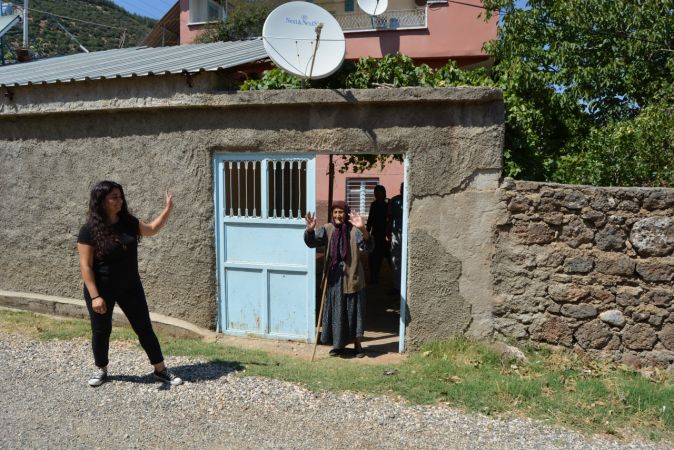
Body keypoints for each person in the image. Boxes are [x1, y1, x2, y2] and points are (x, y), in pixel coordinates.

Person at [77, 181, 183, 387]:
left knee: (144, 327)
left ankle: (160, 369)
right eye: (114, 197)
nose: (119, 201)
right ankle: (101, 369)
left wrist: (167, 210)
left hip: (130, 287)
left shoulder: (128, 222)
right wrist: (95, 296)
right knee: (101, 330)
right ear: (101, 201)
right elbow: (86, 266)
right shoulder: (88, 229)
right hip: (101, 289)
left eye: (120, 196)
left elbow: (151, 229)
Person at [304, 201, 374, 358]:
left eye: (340, 212)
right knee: (337, 312)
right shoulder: (327, 229)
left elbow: (369, 247)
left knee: (354, 312)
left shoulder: (355, 231)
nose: (337, 215)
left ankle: (357, 345)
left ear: (346, 213)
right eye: (335, 212)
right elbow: (312, 242)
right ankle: (338, 345)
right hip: (334, 278)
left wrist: (363, 229)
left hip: (353, 277)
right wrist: (309, 231)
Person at [366, 185, 390, 285]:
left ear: (384, 193)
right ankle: (373, 278)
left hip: (385, 236)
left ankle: (397, 281)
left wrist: (389, 234)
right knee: (372, 258)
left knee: (388, 258)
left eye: (379, 192)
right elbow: (370, 219)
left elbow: (390, 220)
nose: (376, 194)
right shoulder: (374, 205)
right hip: (375, 235)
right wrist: (366, 232)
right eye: (375, 192)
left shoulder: (387, 205)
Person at [387, 183, 404, 293]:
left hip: (408, 234)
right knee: (395, 260)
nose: (403, 190)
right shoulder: (394, 200)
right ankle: (397, 287)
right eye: (402, 188)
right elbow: (389, 217)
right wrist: (388, 232)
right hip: (395, 233)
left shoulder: (412, 200)